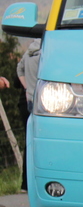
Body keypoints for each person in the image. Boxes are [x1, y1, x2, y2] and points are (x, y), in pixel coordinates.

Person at [15, 38, 40, 193]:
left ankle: (26, 183)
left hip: (28, 100)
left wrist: (27, 88)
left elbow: (19, 70)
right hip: (43, 102)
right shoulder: (46, 53)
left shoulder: (28, 53)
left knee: (29, 142)